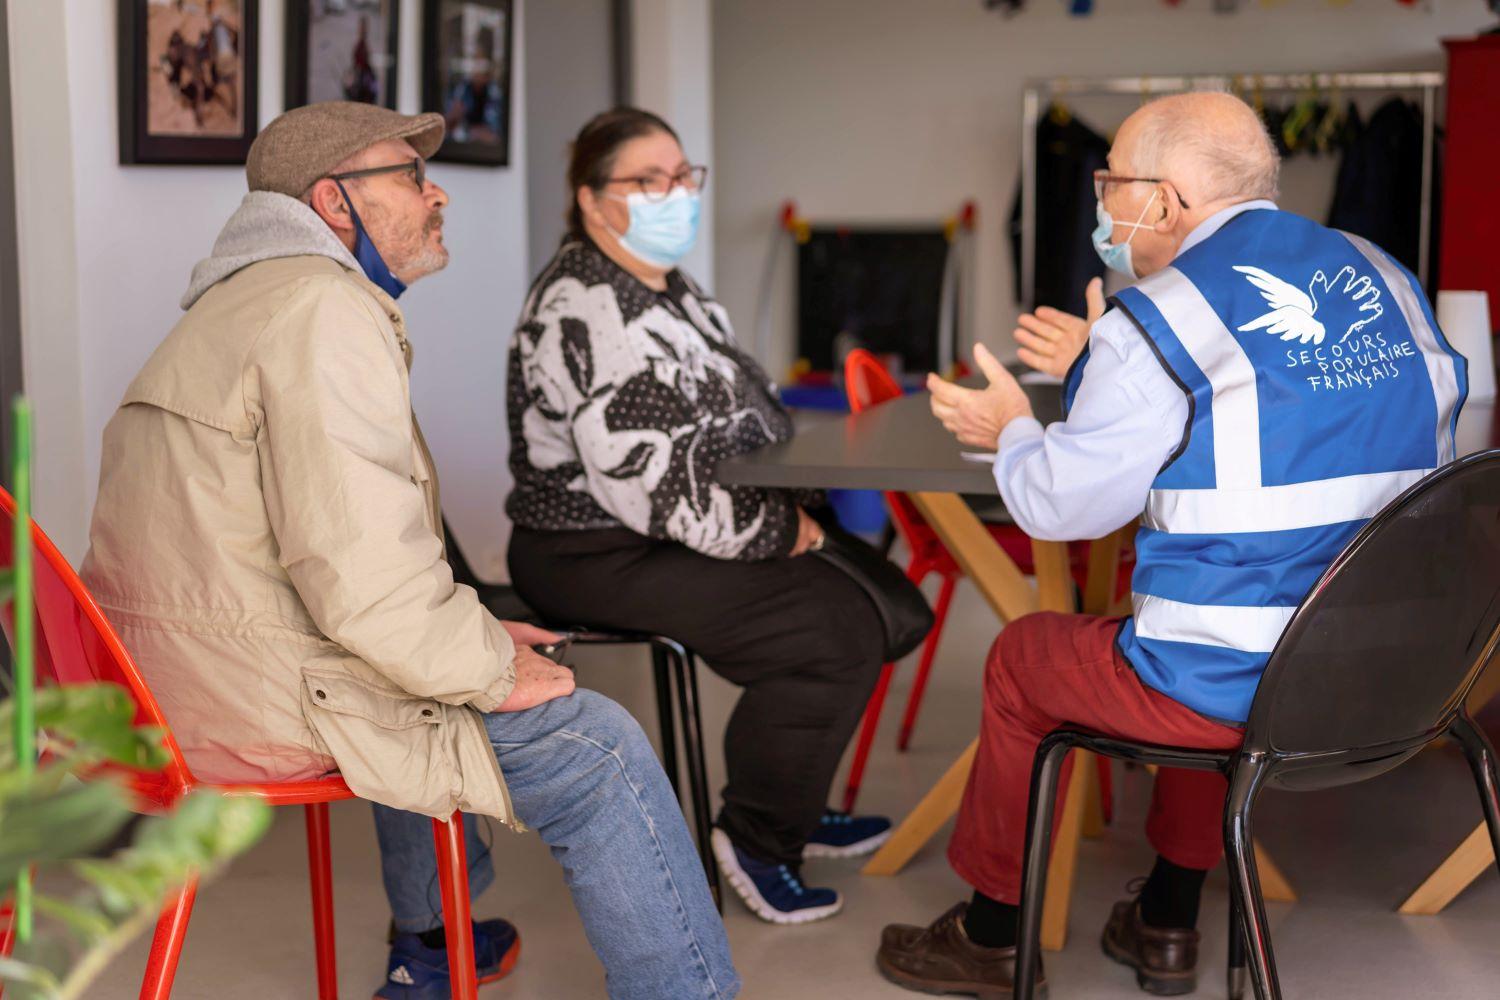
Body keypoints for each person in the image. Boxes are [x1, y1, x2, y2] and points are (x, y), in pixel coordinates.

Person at [81, 102, 737, 1000]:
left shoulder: (239, 303)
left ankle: (432, 940)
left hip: (167, 690)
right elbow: (363, 582)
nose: (437, 197)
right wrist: (486, 667)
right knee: (600, 747)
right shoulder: (323, 312)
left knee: (419, 664)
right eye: (409, 177)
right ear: (334, 202)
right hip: (250, 700)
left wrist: (467, 635)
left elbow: (338, 573)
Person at [876, 91, 1466, 997]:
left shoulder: (1160, 315)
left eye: (1111, 181)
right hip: (1401, 679)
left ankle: (992, 934)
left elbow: (1057, 506)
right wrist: (1102, 362)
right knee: (1203, 625)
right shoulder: (1382, 271)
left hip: (1241, 688)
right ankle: (1167, 917)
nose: (1102, 203)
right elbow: (1280, 404)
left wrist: (1011, 431)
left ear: (1167, 198)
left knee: (1034, 655)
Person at [505, 107, 893, 925]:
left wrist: (787, 506)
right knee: (833, 631)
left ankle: (790, 791)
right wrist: (784, 531)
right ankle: (758, 838)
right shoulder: (584, 304)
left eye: (680, 176)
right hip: (592, 548)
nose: (673, 194)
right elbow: (651, 485)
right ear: (591, 200)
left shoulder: (669, 289)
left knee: (890, 601)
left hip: (678, 523)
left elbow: (751, 408)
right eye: (647, 181)